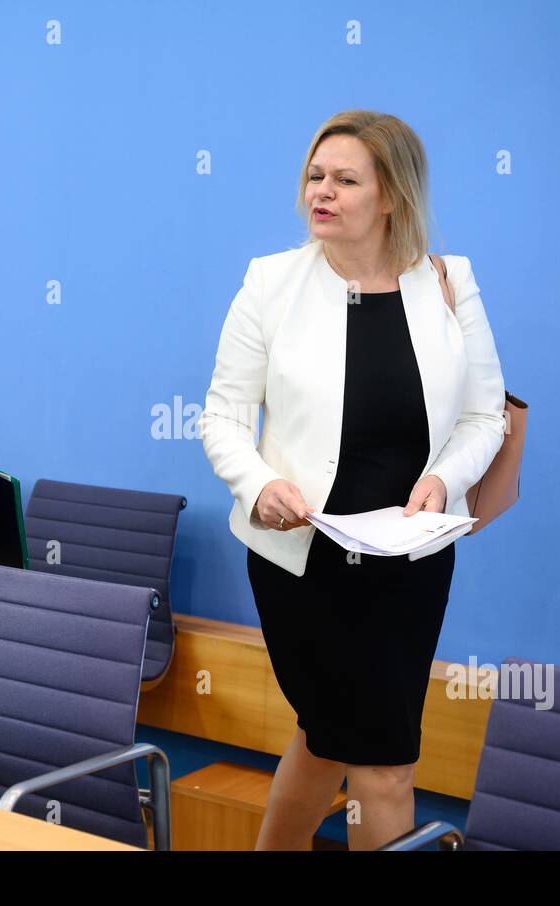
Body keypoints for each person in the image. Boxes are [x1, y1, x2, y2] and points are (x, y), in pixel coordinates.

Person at [200, 110, 506, 850]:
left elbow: (486, 416)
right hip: (302, 562)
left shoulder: (447, 282)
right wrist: (259, 484)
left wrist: (444, 479)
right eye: (314, 176)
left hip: (411, 563)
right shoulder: (272, 282)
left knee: (330, 738)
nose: (321, 192)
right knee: (383, 763)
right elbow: (222, 418)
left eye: (344, 179)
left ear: (392, 195)